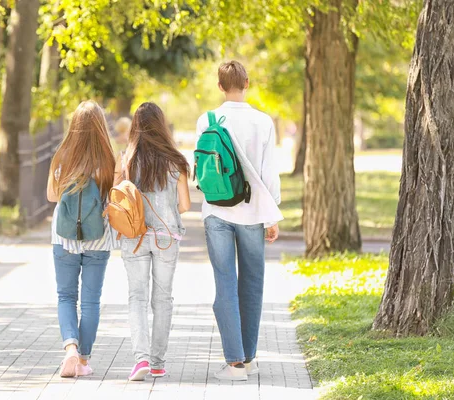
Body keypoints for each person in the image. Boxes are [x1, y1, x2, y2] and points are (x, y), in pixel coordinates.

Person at [195, 61, 283, 381]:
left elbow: (203, 166)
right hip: (253, 212)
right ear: (247, 82)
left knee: (225, 284)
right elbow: (269, 173)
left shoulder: (206, 119)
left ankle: (234, 364)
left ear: (220, 86)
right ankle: (249, 358)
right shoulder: (263, 121)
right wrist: (272, 214)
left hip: (216, 210)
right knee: (252, 284)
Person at [115, 102, 191, 381]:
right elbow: (184, 206)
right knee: (163, 299)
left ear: (135, 127)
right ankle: (158, 362)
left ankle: (141, 360)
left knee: (136, 297)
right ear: (161, 125)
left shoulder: (127, 160)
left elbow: (117, 197)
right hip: (166, 238)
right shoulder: (176, 161)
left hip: (133, 236)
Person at [47, 100, 117, 378]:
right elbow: (114, 199)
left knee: (65, 296)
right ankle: (84, 361)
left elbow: (52, 196)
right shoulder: (109, 161)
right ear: (101, 127)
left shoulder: (61, 157)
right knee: (90, 301)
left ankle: (70, 350)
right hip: (98, 239)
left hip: (63, 238)